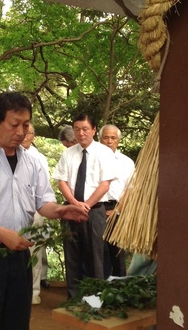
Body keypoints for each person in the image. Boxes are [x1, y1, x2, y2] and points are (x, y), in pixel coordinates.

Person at [0, 92, 88, 330]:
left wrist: (61, 210)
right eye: (14, 124)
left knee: (17, 323)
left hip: (19, 258)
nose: (21, 131)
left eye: (26, 125)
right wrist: (3, 235)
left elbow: (43, 203)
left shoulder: (33, 162)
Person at [53, 114, 116, 299]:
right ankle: (74, 299)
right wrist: (74, 203)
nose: (80, 133)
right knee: (72, 255)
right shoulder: (68, 153)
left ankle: (96, 300)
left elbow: (105, 184)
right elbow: (61, 181)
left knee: (96, 256)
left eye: (85, 129)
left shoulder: (104, 152)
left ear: (94, 130)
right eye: (77, 129)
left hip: (95, 211)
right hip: (70, 209)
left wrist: (86, 206)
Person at [99, 124, 135, 276]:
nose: (109, 141)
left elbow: (131, 189)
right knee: (100, 253)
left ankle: (119, 292)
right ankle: (99, 292)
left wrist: (118, 210)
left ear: (118, 141)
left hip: (119, 209)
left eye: (113, 138)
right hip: (97, 209)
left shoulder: (126, 162)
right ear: (100, 139)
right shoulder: (93, 159)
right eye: (106, 137)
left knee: (118, 253)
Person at [21, 123, 51, 305]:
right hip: (14, 211)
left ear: (34, 136)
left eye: (29, 132)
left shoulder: (40, 158)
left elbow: (45, 188)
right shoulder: (9, 153)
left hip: (36, 210)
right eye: (24, 131)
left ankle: (33, 291)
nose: (25, 135)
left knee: (35, 250)